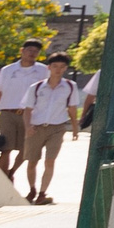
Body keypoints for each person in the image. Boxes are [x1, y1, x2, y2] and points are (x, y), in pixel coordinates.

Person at [22, 52, 82, 205]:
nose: (58, 69)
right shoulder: (36, 87)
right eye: (55, 66)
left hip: (57, 127)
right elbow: (27, 109)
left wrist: (75, 127)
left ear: (65, 68)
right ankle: (32, 189)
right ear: (49, 67)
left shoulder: (69, 86)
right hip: (36, 127)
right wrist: (28, 126)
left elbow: (72, 108)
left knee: (50, 161)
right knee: (32, 161)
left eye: (62, 67)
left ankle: (42, 193)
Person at [0, 39, 48, 189]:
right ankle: (3, 182)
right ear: (22, 51)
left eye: (36, 52)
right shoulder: (8, 70)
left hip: (30, 115)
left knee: (25, 149)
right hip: (8, 113)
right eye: (29, 50)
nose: (32, 54)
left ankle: (11, 172)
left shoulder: (43, 70)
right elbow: (0, 94)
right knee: (6, 148)